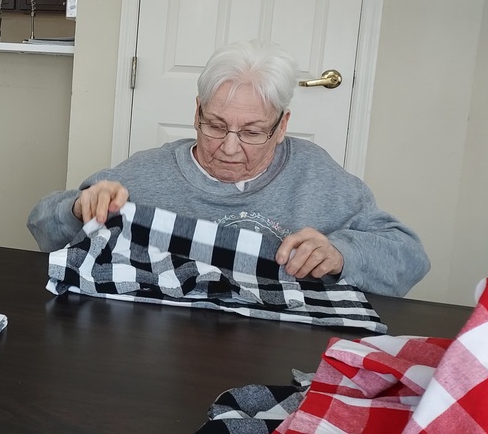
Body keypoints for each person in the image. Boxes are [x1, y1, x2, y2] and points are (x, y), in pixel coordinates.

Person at [28, 40, 429, 297]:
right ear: (197, 112)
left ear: (282, 126)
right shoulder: (147, 174)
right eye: (216, 126)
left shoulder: (317, 176)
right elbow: (42, 227)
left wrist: (342, 254)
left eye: (252, 132)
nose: (230, 148)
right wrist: (78, 207)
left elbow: (409, 259)